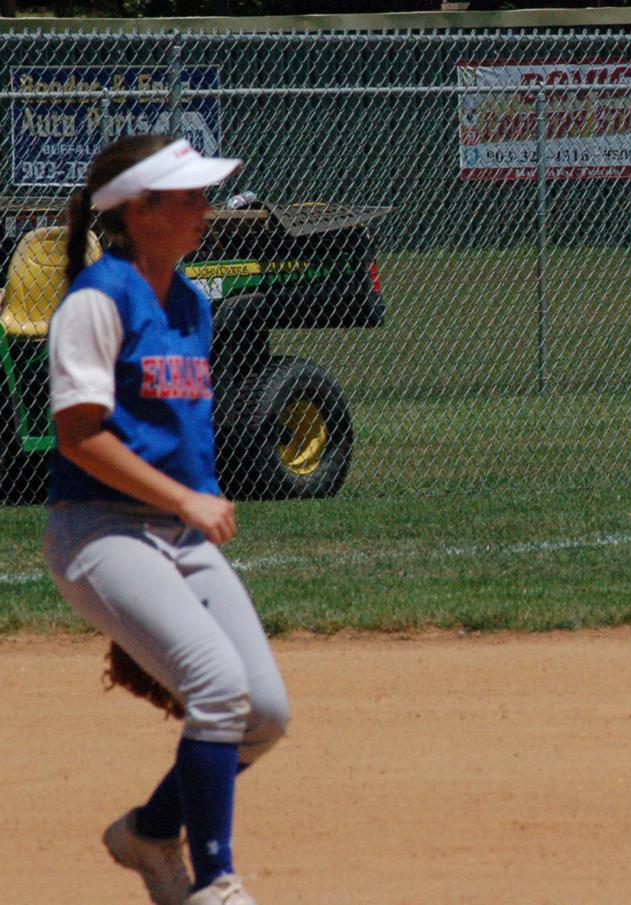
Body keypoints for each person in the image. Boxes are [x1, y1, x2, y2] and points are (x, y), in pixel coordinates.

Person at [43, 134, 289, 904]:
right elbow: (78, 436)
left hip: (176, 535)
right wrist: (183, 499)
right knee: (218, 685)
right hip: (98, 528)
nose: (205, 209)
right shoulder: (96, 300)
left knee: (266, 712)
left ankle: (149, 833)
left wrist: (185, 505)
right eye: (188, 197)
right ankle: (214, 882)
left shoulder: (188, 301)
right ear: (139, 211)